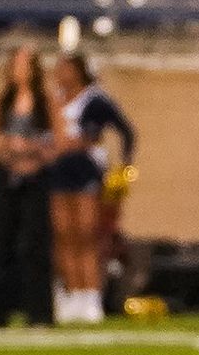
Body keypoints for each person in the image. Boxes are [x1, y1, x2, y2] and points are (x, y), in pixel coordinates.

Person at [42, 52, 134, 325]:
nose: (59, 73)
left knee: (86, 236)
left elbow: (126, 131)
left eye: (65, 68)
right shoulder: (53, 99)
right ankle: (71, 294)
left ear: (79, 71)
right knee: (63, 236)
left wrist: (124, 168)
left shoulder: (95, 99)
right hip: (57, 171)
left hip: (85, 171)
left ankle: (90, 296)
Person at [0, 43, 56, 328]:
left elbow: (56, 140)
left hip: (36, 176)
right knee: (3, 241)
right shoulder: (3, 100)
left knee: (36, 243)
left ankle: (39, 312)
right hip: (7, 174)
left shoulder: (45, 101)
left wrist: (33, 150)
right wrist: (8, 148)